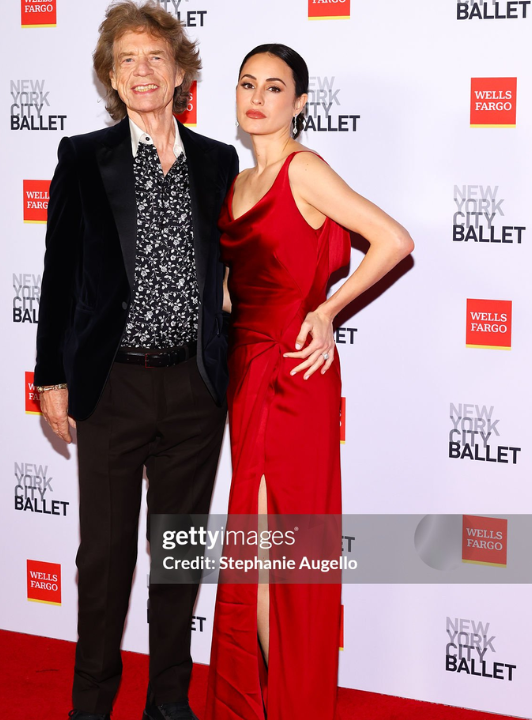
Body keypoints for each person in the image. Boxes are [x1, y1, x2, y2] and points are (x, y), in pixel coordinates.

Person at [33, 3, 239, 719]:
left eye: (156, 57)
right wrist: (49, 377)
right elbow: (58, 274)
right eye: (127, 60)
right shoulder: (82, 157)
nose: (143, 70)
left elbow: (238, 265)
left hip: (195, 387)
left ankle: (169, 703)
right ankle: (90, 705)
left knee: (178, 554)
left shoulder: (218, 160)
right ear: (111, 79)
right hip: (112, 383)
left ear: (181, 72)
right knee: (107, 558)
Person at [203, 44, 413, 720]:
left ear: (298, 103)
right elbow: (239, 293)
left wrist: (326, 311)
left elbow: (392, 239)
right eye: (246, 84)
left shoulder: (306, 169)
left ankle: (293, 704)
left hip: (294, 372)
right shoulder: (233, 186)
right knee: (259, 550)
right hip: (247, 367)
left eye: (275, 87)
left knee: (280, 548)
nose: (257, 97)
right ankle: (273, 700)